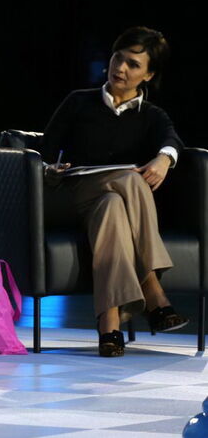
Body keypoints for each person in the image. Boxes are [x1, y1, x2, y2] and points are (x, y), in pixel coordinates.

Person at [42, 26, 186, 357]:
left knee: (112, 208)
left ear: (148, 74)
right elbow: (44, 151)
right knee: (132, 179)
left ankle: (109, 326)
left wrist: (165, 159)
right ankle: (152, 287)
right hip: (72, 196)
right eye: (117, 59)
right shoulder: (78, 102)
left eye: (133, 65)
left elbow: (172, 140)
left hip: (105, 206)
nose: (120, 69)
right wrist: (49, 168)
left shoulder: (152, 116)